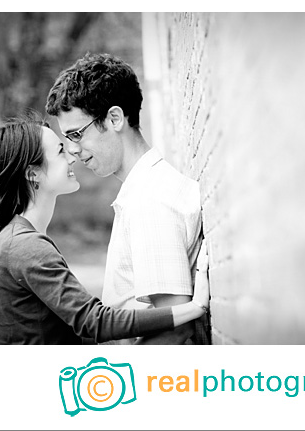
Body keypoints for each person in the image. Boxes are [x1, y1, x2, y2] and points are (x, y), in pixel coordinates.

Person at [0, 115, 209, 345]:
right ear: (33, 174)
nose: (72, 157)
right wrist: (193, 308)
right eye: (60, 151)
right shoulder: (25, 247)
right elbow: (93, 323)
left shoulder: (12, 240)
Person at [46, 53, 206, 345]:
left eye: (76, 134)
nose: (71, 150)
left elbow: (173, 331)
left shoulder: (150, 201)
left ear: (115, 118)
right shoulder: (143, 192)